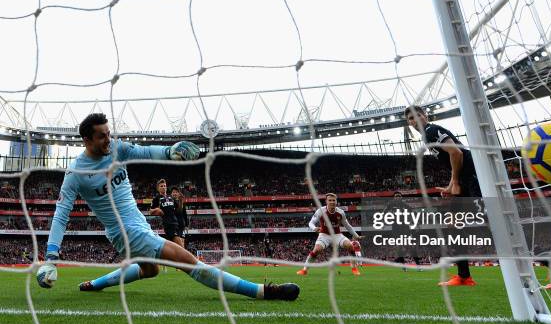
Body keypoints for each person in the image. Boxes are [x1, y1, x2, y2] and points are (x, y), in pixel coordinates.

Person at [37, 113, 299, 301]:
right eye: (102, 136)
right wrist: (51, 258)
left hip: (138, 221)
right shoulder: (75, 173)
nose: (109, 139)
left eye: (109, 134)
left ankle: (95, 284)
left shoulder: (115, 149)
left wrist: (170, 151)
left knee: (150, 271)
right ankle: (262, 291)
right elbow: (61, 216)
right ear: (86, 139)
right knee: (189, 262)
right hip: (123, 231)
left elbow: (144, 152)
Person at [405, 106, 476, 286]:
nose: (414, 121)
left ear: (425, 116)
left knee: (495, 223)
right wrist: (451, 184)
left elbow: (456, 152)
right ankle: (464, 276)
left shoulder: (431, 130)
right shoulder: (427, 136)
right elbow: (454, 156)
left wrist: (455, 182)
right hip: (466, 180)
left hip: (474, 179)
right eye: (410, 119)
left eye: (416, 116)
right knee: (454, 224)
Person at [296, 193, 362, 276]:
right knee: (316, 250)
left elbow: (347, 226)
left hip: (337, 235)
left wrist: (356, 235)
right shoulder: (321, 211)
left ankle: (354, 268)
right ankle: (304, 270)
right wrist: (314, 228)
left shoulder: (341, 213)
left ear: (336, 201)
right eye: (330, 200)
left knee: (350, 246)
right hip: (324, 235)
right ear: (326, 201)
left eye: (333, 200)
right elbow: (311, 223)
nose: (332, 202)